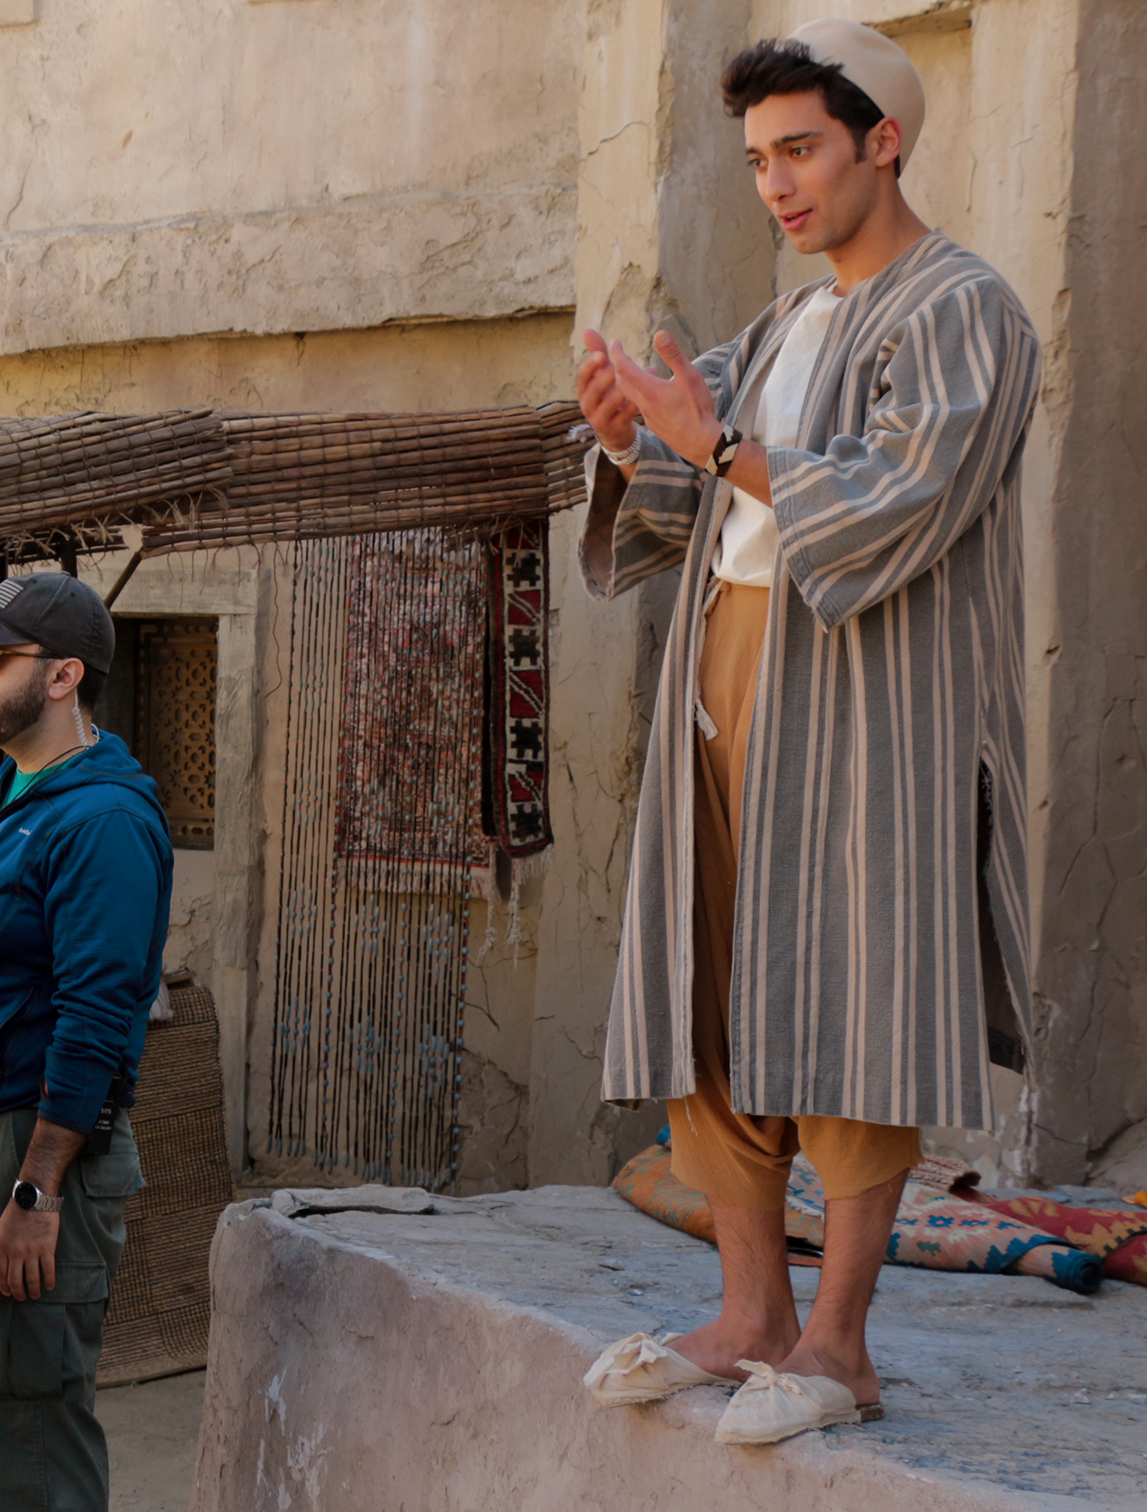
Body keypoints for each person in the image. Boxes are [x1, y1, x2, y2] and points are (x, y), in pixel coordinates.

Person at [573, 20, 1039, 1445]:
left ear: (881, 142)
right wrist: (627, 434)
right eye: (759, 156)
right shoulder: (780, 326)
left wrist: (708, 444)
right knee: (711, 984)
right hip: (727, 692)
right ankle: (749, 1315)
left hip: (866, 714)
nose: (774, 183)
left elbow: (901, 495)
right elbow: (689, 491)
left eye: (800, 151)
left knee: (852, 998)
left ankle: (837, 1346)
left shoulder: (964, 307)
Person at [0, 573, 173, 1512]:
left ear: (65, 675)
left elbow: (95, 1017)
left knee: (28, 1429)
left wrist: (36, 1189)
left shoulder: (102, 818)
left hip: (33, 1144)